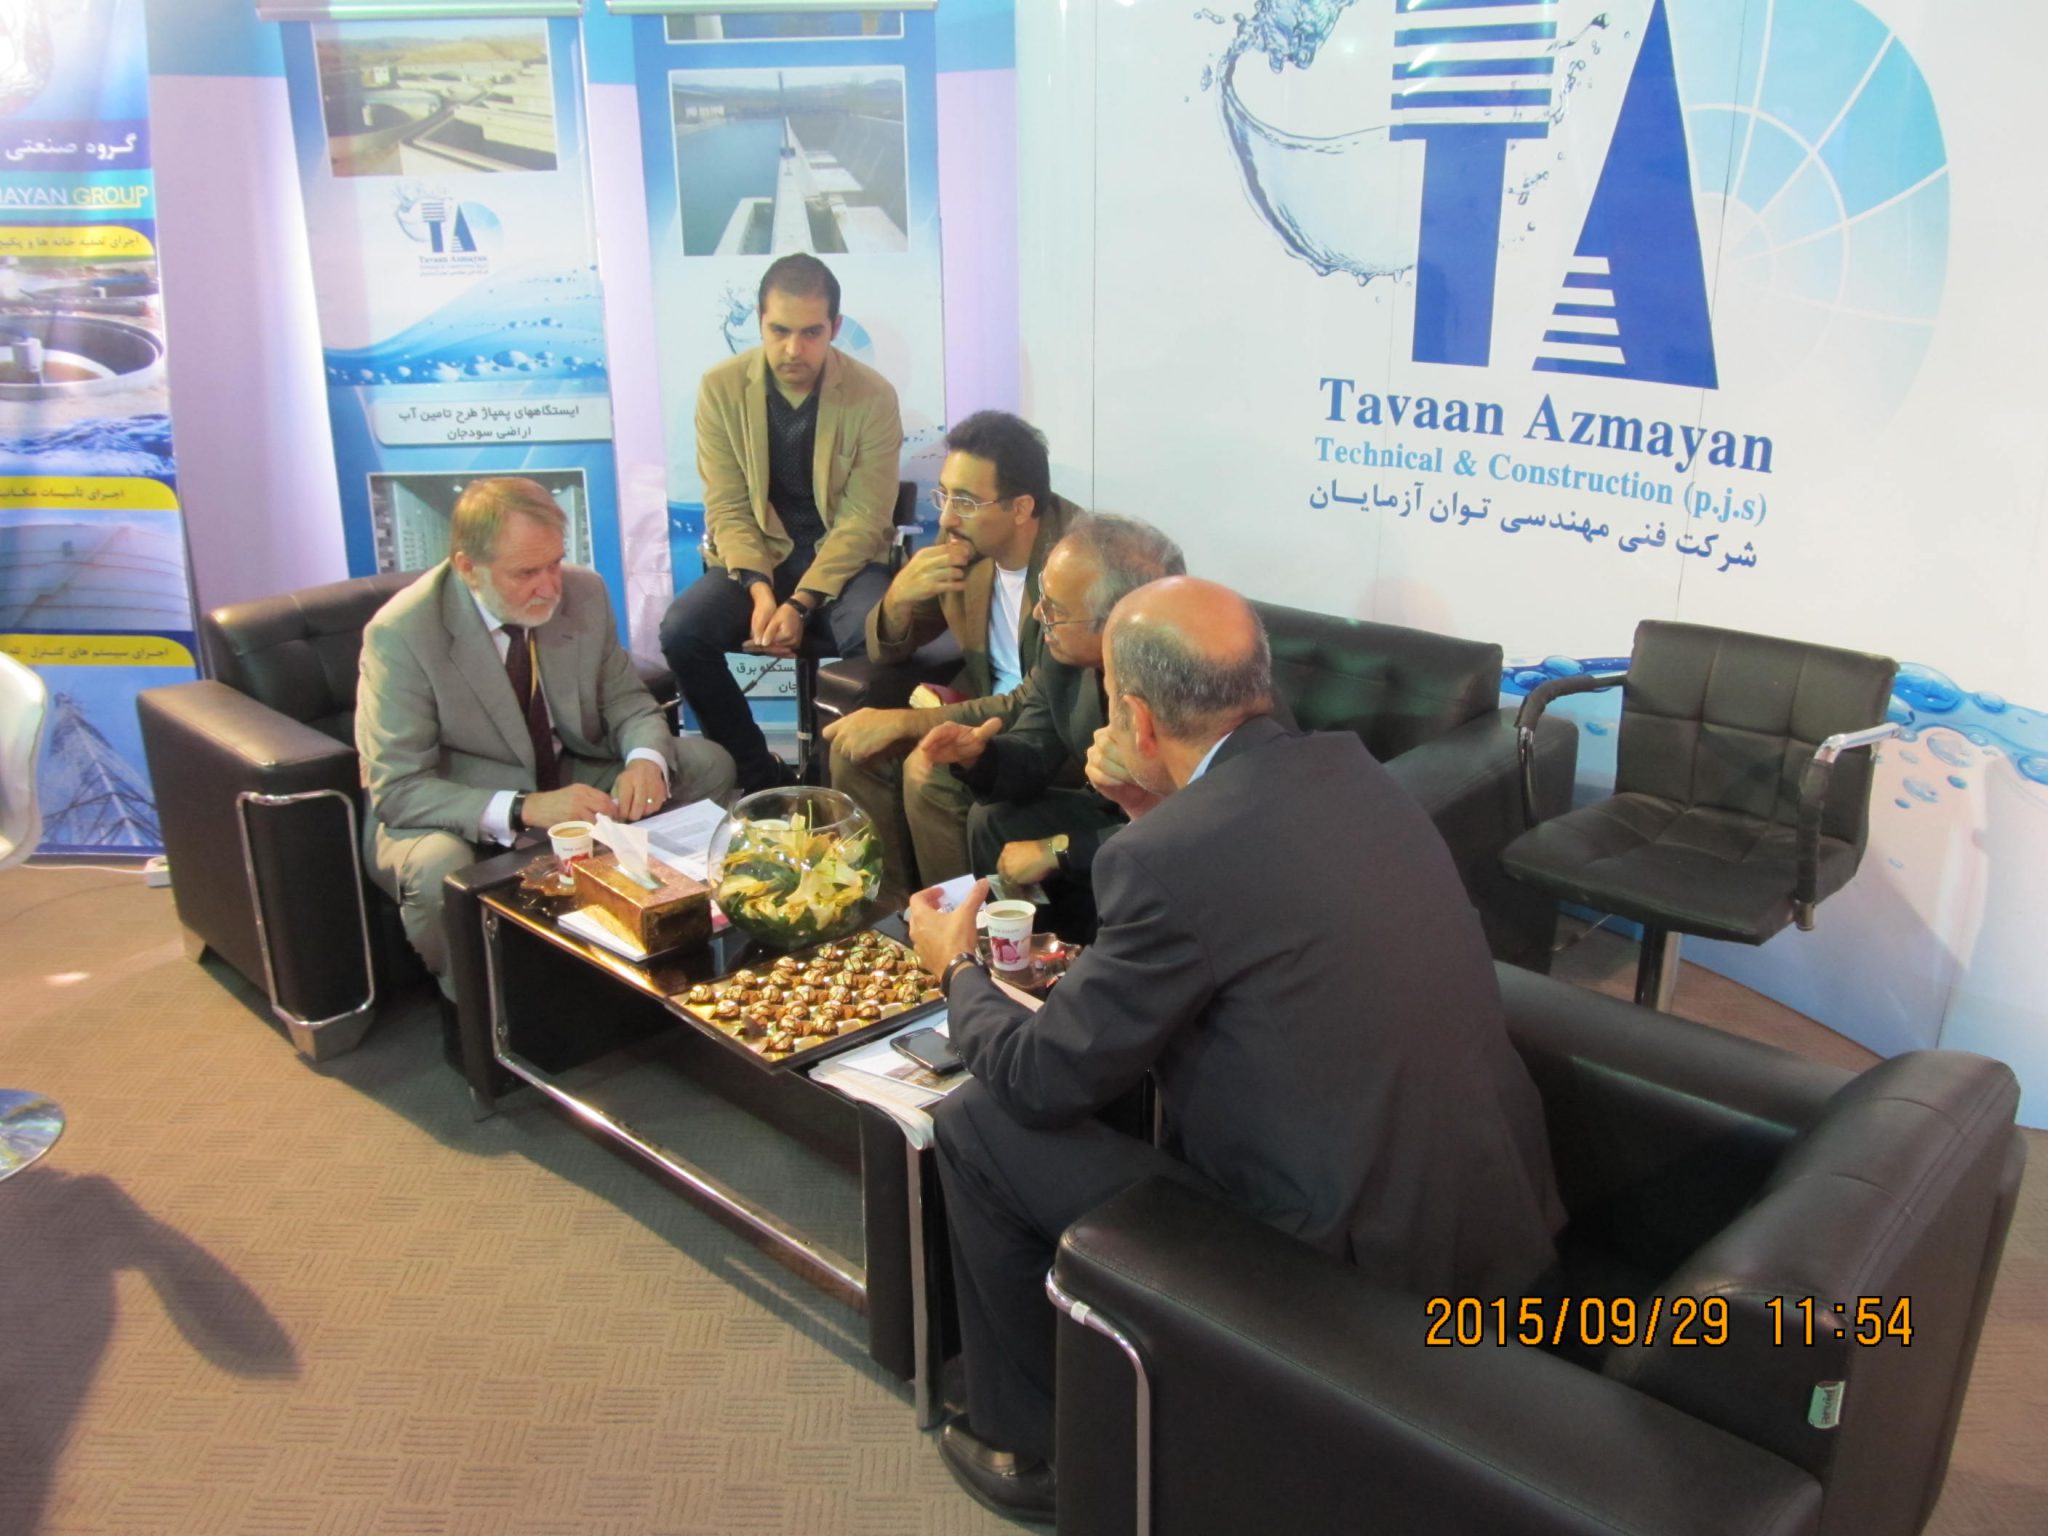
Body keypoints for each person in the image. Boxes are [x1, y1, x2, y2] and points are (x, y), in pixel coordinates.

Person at [905, 577, 1563, 1523]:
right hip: (1486, 1218)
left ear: (1135, 715)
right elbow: (1229, 901)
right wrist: (1150, 809)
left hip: (1343, 1269)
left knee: (977, 1121)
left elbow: (1042, 1080)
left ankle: (1041, 1448)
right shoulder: (1349, 771)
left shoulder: (1166, 859)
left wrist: (958, 968)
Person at [358, 477, 736, 999]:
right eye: (526, 573)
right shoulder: (402, 633)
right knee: (435, 867)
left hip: (565, 771)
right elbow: (398, 789)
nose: (549, 587)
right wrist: (526, 807)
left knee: (708, 764)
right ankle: (479, 1007)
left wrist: (645, 761)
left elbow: (627, 701)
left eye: (555, 563)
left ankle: (662, 939)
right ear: (468, 567)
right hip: (455, 800)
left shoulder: (585, 592)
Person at [659, 254, 904, 794]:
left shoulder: (873, 396)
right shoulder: (721, 388)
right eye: (780, 331)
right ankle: (756, 777)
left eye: (811, 332)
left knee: (880, 639)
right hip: (756, 563)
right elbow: (727, 507)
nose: (794, 349)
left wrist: (801, 603)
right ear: (759, 321)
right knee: (683, 632)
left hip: (842, 564)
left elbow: (864, 520)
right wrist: (761, 592)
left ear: (835, 327)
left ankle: (832, 785)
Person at [823, 410, 1082, 905]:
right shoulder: (965, 541)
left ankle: (964, 926)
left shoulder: (1075, 562)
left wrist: (904, 723)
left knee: (930, 770)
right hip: (985, 710)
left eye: (965, 501)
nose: (945, 518)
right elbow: (888, 648)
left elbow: (1034, 703)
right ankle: (891, 913)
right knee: (854, 749)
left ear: (1022, 507)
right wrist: (899, 596)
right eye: (944, 495)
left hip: (1055, 738)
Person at [912, 514, 1183, 930]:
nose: (1039, 615)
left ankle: (1096, 961)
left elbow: (1192, 824)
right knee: (993, 819)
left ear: (1117, 620)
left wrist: (1060, 850)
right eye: (1042, 596)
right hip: (1112, 812)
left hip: (1176, 840)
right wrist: (978, 756)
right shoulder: (1060, 652)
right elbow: (1034, 748)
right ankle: (1019, 956)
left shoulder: (1186, 680)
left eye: (1056, 609)